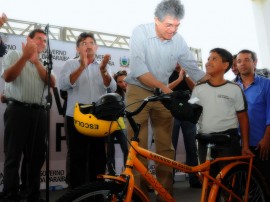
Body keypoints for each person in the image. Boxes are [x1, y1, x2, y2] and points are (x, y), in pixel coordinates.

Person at [125, 0, 209, 199]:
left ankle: (165, 195)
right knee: (138, 146)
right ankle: (139, 196)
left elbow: (194, 70)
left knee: (165, 148)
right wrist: (164, 88)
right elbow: (138, 70)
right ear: (156, 20)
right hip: (139, 91)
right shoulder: (140, 32)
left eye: (177, 25)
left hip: (162, 95)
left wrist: (217, 82)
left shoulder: (178, 40)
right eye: (168, 25)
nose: (173, 30)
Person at [0, 28, 56, 201]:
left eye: (45, 41)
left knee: (36, 157)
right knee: (13, 156)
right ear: (28, 39)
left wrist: (37, 62)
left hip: (39, 114)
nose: (42, 43)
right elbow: (8, 77)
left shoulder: (45, 62)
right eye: (38, 39)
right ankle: (11, 195)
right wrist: (25, 57)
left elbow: (52, 83)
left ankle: (31, 194)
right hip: (17, 111)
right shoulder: (14, 54)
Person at [58, 32, 117, 189]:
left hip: (98, 118)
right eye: (84, 43)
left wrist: (104, 70)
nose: (88, 45)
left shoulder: (105, 66)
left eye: (91, 42)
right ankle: (76, 195)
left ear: (96, 47)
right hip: (76, 117)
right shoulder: (70, 64)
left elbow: (112, 88)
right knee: (77, 158)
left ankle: (96, 195)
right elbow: (63, 85)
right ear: (77, 48)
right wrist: (82, 66)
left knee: (98, 159)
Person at [191, 48, 253, 176]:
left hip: (228, 142)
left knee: (228, 183)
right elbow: (191, 109)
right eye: (208, 59)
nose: (208, 62)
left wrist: (245, 146)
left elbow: (243, 117)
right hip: (204, 141)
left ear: (225, 65)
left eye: (214, 59)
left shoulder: (234, 89)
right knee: (207, 182)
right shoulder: (198, 89)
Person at [235, 49, 270, 192]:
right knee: (243, 187)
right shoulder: (232, 87)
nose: (242, 64)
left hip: (261, 143)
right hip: (239, 144)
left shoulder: (267, 84)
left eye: (246, 60)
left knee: (265, 184)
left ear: (255, 62)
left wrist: (267, 139)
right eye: (239, 61)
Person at [168, 63, 201, 188]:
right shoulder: (166, 72)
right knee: (171, 148)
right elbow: (165, 89)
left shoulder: (190, 73)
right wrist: (179, 79)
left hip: (188, 113)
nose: (177, 62)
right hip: (172, 113)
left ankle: (194, 178)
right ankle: (168, 180)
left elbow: (196, 90)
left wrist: (185, 76)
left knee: (192, 147)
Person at [106, 70, 129, 175]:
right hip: (109, 125)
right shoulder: (113, 92)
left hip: (123, 126)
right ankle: (112, 175)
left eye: (124, 81)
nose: (122, 83)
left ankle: (127, 174)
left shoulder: (132, 92)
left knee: (127, 151)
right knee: (110, 153)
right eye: (119, 82)